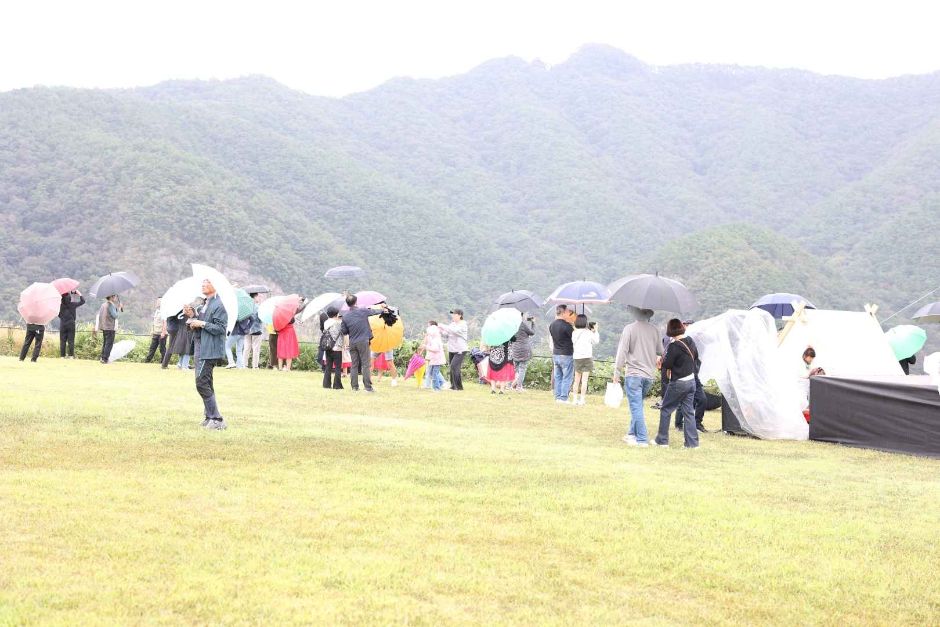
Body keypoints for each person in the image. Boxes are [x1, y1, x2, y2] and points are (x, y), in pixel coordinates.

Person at [612, 307, 661, 447]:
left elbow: (622, 351)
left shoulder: (629, 329)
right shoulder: (655, 330)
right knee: (638, 405)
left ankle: (641, 439)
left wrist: (617, 372)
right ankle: (631, 434)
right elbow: (660, 350)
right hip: (649, 375)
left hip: (634, 374)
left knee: (636, 407)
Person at [187, 278, 229, 430]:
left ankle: (217, 418)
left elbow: (220, 328)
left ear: (215, 286)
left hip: (209, 349)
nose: (203, 284)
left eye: (207, 282)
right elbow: (201, 323)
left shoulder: (219, 305)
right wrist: (191, 317)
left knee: (201, 382)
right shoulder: (206, 303)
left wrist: (202, 323)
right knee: (207, 382)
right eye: (202, 282)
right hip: (200, 346)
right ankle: (209, 416)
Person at [654, 319, 700, 449]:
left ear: (670, 331)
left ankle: (662, 440)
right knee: (689, 412)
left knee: (666, 409)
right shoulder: (690, 340)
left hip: (678, 383)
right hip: (691, 381)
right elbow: (696, 356)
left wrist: (660, 360)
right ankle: (692, 444)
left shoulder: (674, 346)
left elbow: (667, 365)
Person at [339, 294, 387, 392]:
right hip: (363, 341)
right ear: (356, 302)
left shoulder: (345, 316)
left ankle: (354, 387)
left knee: (354, 365)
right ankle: (368, 387)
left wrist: (352, 329)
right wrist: (383, 309)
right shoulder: (362, 311)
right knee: (366, 364)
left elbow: (344, 331)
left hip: (352, 342)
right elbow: (374, 312)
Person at [549, 305, 576, 403]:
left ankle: (558, 397)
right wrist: (573, 324)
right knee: (567, 376)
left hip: (556, 353)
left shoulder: (552, 325)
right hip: (567, 353)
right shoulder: (567, 326)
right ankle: (564, 397)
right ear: (563, 312)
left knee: (558, 376)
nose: (568, 314)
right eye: (567, 312)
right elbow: (574, 338)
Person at [571, 315, 600, 406]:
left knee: (576, 380)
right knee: (584, 380)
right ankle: (582, 399)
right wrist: (595, 331)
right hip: (587, 357)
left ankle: (575, 399)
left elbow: (573, 342)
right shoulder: (588, 333)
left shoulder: (574, 333)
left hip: (577, 357)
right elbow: (596, 342)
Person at [440, 308, 469, 391]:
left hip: (460, 349)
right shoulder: (452, 324)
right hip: (452, 349)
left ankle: (457, 387)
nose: (453, 316)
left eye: (454, 314)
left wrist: (443, 326)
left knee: (454, 366)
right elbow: (446, 334)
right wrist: (440, 330)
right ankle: (454, 386)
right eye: (452, 314)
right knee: (452, 367)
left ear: (460, 315)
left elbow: (455, 331)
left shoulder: (463, 324)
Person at [277, 298, 307, 371]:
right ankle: (288, 368)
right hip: (289, 332)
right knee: (289, 349)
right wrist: (304, 303)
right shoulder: (290, 312)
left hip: (281, 332)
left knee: (281, 349)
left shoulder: (279, 313)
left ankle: (280, 368)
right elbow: (299, 309)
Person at [509, 314, 535, 391]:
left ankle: (510, 385)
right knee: (522, 369)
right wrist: (533, 323)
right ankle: (519, 387)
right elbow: (532, 332)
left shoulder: (511, 326)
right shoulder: (522, 324)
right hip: (524, 350)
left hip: (515, 349)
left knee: (515, 369)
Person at [321, 307, 344, 389]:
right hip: (337, 347)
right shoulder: (338, 323)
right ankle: (337, 385)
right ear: (336, 314)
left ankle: (326, 384)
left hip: (328, 346)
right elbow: (343, 333)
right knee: (338, 367)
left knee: (328, 366)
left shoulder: (326, 322)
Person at [58, 290, 85, 358]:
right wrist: (79, 293)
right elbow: (83, 301)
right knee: (71, 340)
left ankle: (62, 356)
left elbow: (58, 315)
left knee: (62, 341)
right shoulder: (73, 304)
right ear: (70, 299)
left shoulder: (60, 306)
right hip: (71, 324)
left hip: (63, 324)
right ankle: (71, 355)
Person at [96, 295, 122, 364]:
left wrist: (116, 308)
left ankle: (102, 357)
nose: (115, 298)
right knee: (109, 344)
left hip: (104, 327)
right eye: (114, 296)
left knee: (105, 343)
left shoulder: (103, 305)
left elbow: (101, 315)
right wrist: (119, 309)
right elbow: (115, 316)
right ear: (111, 297)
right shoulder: (110, 305)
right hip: (110, 327)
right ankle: (105, 359)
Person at [421, 322, 447, 391]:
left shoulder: (435, 340)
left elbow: (435, 349)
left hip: (436, 359)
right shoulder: (436, 339)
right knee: (434, 373)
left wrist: (426, 347)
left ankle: (437, 388)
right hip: (435, 359)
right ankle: (440, 384)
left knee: (434, 374)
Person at [171, 305, 196, 370]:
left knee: (183, 349)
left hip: (182, 332)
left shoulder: (180, 314)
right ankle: (184, 366)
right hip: (186, 332)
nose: (188, 309)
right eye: (186, 307)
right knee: (186, 350)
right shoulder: (184, 315)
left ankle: (180, 364)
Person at [144, 298, 167, 364]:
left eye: (159, 301)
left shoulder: (164, 311)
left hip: (162, 333)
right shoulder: (157, 311)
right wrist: (152, 330)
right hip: (155, 332)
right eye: (157, 301)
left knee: (162, 349)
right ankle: (147, 361)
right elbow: (154, 322)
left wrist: (163, 332)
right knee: (152, 347)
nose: (157, 303)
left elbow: (165, 322)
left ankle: (163, 362)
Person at [244, 293, 264, 369]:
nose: (259, 299)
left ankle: (244, 365)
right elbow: (260, 318)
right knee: (256, 349)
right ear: (254, 297)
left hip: (247, 329)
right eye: (258, 297)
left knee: (246, 348)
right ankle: (255, 366)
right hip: (256, 329)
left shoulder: (246, 307)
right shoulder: (258, 307)